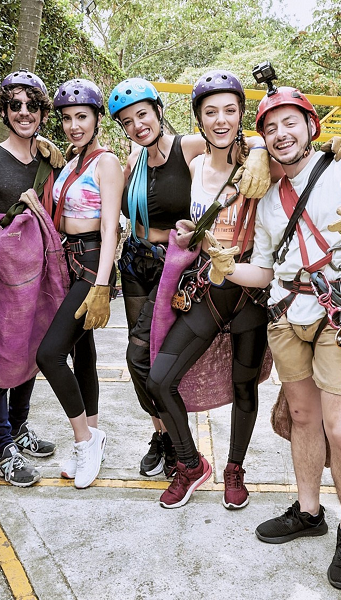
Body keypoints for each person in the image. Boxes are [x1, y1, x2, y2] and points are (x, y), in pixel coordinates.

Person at [213, 86, 341, 590]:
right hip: (286, 316)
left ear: (311, 126)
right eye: (270, 128)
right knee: (302, 417)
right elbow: (264, 271)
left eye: (290, 123)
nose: (281, 134)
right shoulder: (267, 197)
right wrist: (225, 267)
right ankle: (308, 512)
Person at [107, 77, 273, 477]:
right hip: (149, 264)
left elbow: (246, 140)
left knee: (237, 379)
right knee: (142, 356)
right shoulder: (137, 159)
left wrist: (260, 152)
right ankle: (168, 439)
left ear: (159, 111)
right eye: (128, 121)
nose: (137, 125)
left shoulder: (191, 148)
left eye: (143, 115)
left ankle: (224, 465)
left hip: (204, 270)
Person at [147, 69, 268, 509]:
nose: (221, 120)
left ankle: (235, 468)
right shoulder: (197, 164)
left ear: (241, 115)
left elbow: (300, 152)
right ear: (198, 119)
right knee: (160, 380)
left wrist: (260, 149)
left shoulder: (263, 163)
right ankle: (189, 463)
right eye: (210, 112)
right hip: (209, 290)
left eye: (229, 111)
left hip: (251, 293)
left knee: (244, 388)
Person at [0, 70, 65, 487]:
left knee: (32, 350)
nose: (24, 112)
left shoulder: (50, 160)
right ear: (5, 112)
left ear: (43, 112)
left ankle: (19, 426)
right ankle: (2, 446)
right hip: (2, 277)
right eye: (15, 105)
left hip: (40, 273)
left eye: (32, 105)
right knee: (0, 358)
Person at [34, 79, 123, 489]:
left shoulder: (107, 163)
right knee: (80, 351)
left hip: (90, 263)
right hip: (67, 260)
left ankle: (84, 441)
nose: (74, 125)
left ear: (97, 119)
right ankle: (94, 433)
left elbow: (109, 229)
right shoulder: (71, 161)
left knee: (49, 355)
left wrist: (101, 286)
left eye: (82, 117)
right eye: (67, 118)